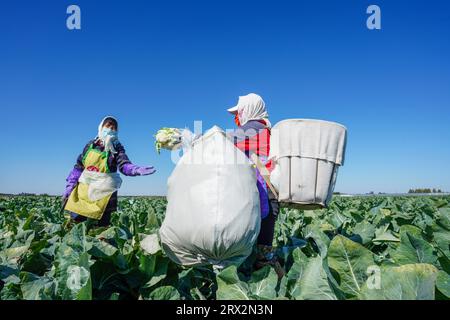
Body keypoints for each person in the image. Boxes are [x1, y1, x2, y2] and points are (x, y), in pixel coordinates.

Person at [227, 93, 284, 278]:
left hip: (264, 195)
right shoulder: (265, 128)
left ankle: (275, 285)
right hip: (267, 194)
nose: (237, 116)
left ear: (250, 109)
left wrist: (187, 138)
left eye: (239, 111)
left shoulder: (254, 128)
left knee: (262, 254)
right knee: (261, 248)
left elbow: (221, 141)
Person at [62, 116, 156, 227]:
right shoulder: (90, 145)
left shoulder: (116, 147)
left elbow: (124, 164)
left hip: (104, 195)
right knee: (77, 225)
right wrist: (70, 185)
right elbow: (78, 167)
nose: (111, 129)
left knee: (101, 229)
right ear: (101, 128)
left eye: (114, 127)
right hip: (84, 191)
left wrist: (135, 169)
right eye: (108, 125)